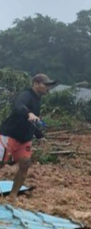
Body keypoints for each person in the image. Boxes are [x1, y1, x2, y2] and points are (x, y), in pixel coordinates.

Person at [0, 73, 55, 201]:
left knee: (25, 164)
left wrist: (40, 136)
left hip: (25, 139)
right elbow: (19, 106)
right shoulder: (26, 95)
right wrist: (29, 113)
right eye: (45, 84)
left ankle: (13, 196)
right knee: (1, 163)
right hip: (9, 135)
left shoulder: (38, 100)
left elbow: (33, 121)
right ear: (36, 84)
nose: (48, 88)